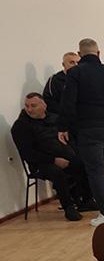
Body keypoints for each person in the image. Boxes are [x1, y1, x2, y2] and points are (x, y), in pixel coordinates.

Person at [58, 38, 104, 226]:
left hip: (89, 128)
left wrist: (63, 127)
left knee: (95, 170)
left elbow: (68, 102)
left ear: (80, 54)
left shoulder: (75, 73)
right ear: (98, 53)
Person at [12, 93, 94, 221]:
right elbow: (28, 153)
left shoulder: (55, 118)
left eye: (33, 106)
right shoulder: (21, 126)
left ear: (44, 105)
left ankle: (86, 201)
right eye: (27, 106)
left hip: (64, 155)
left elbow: (69, 137)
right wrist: (54, 160)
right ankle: (68, 207)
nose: (29, 109)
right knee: (57, 173)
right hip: (41, 163)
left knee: (84, 163)